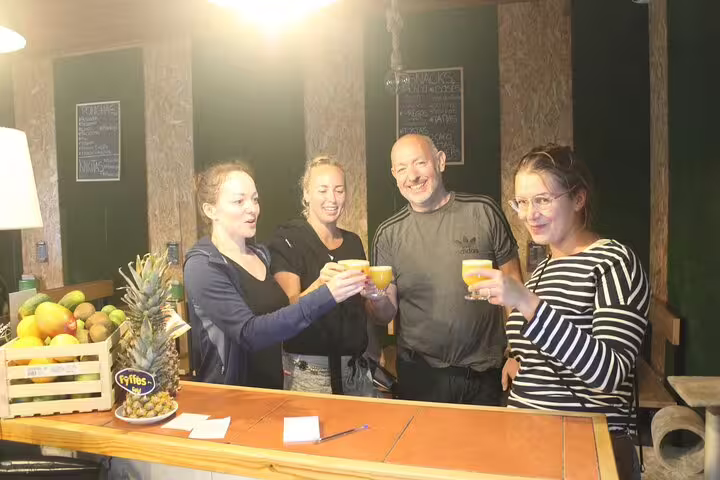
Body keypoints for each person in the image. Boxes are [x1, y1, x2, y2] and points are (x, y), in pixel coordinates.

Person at [468, 144, 647, 479]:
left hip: (585, 449)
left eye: (543, 200)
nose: (528, 214)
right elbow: (542, 340)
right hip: (530, 441)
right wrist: (514, 354)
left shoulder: (614, 262)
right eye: (521, 202)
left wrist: (526, 302)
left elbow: (609, 374)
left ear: (578, 199)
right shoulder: (545, 268)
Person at [368, 134, 523, 406]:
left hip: (485, 373)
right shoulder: (388, 234)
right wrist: (374, 297)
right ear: (394, 175)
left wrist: (516, 352)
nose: (412, 176)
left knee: (485, 449)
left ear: (440, 161)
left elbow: (514, 283)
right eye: (402, 168)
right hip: (421, 377)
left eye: (419, 163)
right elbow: (385, 313)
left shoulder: (483, 212)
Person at [184, 162, 367, 388]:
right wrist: (328, 294)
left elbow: (282, 317)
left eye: (255, 199)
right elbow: (250, 333)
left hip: (273, 390)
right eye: (239, 201)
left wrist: (321, 284)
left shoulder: (261, 255)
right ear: (210, 210)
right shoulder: (203, 266)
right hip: (230, 396)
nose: (252, 208)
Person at [268, 156, 376, 396]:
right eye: (323, 190)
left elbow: (363, 310)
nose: (332, 198)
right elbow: (285, 312)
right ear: (306, 194)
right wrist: (320, 284)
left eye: (339, 190)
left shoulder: (353, 242)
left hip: (356, 372)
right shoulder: (288, 239)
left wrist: (376, 294)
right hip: (309, 374)